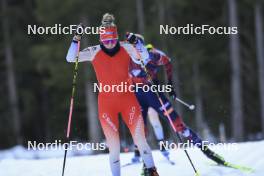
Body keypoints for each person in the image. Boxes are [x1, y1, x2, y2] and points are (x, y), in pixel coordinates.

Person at [66, 14, 159, 176]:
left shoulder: (126, 47)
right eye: (105, 41)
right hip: (106, 104)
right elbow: (70, 58)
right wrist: (75, 39)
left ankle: (152, 171)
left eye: (112, 40)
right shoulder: (94, 51)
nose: (109, 44)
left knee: (141, 141)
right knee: (114, 147)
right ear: (101, 40)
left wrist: (137, 43)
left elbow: (145, 57)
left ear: (117, 38)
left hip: (128, 100)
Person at [126, 33, 227, 166]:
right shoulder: (125, 58)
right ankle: (143, 161)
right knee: (139, 130)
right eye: (131, 47)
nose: (134, 50)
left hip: (154, 95)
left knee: (178, 125)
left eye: (137, 46)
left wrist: (170, 85)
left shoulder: (152, 55)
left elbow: (167, 62)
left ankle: (207, 151)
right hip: (138, 96)